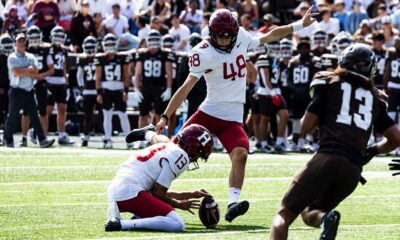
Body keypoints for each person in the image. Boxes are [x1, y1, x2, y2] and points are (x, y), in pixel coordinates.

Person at [155, 8, 318, 223]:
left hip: (233, 116)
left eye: (228, 37)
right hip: (209, 112)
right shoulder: (201, 52)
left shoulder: (241, 36)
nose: (224, 42)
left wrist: (299, 25)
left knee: (240, 154)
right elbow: (185, 88)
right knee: (175, 154)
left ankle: (233, 203)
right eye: (220, 38)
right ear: (211, 34)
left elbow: (271, 35)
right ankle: (154, 193)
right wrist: (166, 116)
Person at [269, 43, 400, 240]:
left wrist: (317, 124)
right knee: (311, 211)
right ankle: (325, 218)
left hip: (328, 156)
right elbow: (395, 139)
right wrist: (372, 150)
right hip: (353, 170)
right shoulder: (375, 97)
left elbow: (305, 126)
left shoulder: (330, 83)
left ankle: (326, 218)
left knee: (284, 213)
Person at [105, 124, 213, 232]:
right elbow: (158, 194)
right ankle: (121, 224)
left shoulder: (167, 145)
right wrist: (179, 204)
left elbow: (156, 193)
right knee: (177, 223)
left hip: (118, 191)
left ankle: (148, 133)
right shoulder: (181, 156)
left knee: (159, 206)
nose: (196, 159)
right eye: (199, 155)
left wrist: (191, 194)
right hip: (130, 192)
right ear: (193, 148)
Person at [2, 33, 55, 148]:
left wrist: (26, 71)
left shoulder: (31, 56)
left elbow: (36, 72)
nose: (21, 43)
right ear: (15, 43)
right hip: (16, 91)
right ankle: (8, 139)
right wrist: (28, 70)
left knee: (35, 117)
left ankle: (42, 140)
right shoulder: (12, 57)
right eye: (19, 41)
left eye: (23, 41)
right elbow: (17, 73)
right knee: (13, 117)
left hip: (29, 90)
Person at [133, 30, 174, 138]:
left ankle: (158, 138)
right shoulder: (142, 53)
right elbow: (137, 74)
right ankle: (140, 139)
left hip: (159, 87)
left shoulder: (165, 53)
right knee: (142, 115)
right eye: (152, 40)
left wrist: (169, 88)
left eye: (156, 40)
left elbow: (169, 74)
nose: (154, 43)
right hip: (145, 87)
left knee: (159, 115)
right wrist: (136, 89)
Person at [95, 33, 131, 149]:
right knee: (107, 115)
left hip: (119, 88)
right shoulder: (101, 57)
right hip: (106, 89)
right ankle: (107, 139)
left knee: (123, 115)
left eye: (112, 44)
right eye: (108, 44)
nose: (110, 46)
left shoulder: (122, 57)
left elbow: (126, 75)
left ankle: (129, 140)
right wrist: (99, 93)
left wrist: (126, 91)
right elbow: (98, 77)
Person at [20, 25, 54, 147]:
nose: (34, 39)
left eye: (36, 37)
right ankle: (23, 138)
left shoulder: (46, 49)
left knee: (43, 112)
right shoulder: (24, 51)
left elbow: (52, 69)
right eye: (32, 37)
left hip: (41, 83)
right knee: (26, 112)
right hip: (27, 83)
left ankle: (43, 139)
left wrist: (41, 75)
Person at [47, 26, 74, 145]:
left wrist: (66, 83)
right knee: (47, 110)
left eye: (60, 36)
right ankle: (40, 132)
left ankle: (62, 135)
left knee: (62, 109)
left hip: (61, 82)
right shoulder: (47, 49)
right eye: (56, 36)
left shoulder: (64, 50)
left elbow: (63, 66)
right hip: (49, 81)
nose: (58, 39)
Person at [76, 36, 100, 147]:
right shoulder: (82, 59)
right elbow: (79, 75)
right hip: (88, 91)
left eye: (92, 48)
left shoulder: (100, 57)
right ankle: (85, 137)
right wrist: (82, 87)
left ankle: (106, 136)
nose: (90, 50)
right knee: (88, 116)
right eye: (88, 48)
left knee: (102, 114)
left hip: (97, 91)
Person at [0, 34, 13, 144]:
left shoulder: (14, 56)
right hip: (1, 89)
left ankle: (7, 136)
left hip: (11, 88)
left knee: (9, 114)